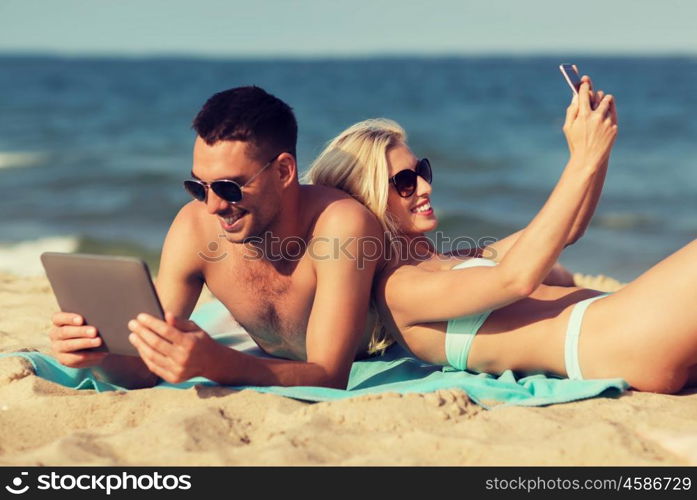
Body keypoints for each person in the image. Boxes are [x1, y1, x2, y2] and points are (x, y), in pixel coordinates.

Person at [307, 76, 697, 394]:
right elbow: (517, 278)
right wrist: (582, 158)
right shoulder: (397, 289)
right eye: (405, 182)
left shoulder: (448, 261)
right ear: (369, 198)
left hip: (622, 328)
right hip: (616, 336)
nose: (424, 187)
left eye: (421, 171)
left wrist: (600, 150)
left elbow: (568, 231)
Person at [48, 86, 385, 389]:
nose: (212, 206)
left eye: (228, 188)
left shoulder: (341, 226)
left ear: (284, 171)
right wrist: (99, 354)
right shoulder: (194, 229)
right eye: (199, 187)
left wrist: (221, 364)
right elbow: (144, 371)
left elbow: (329, 376)